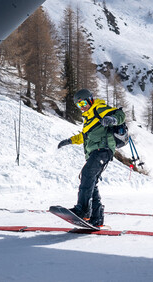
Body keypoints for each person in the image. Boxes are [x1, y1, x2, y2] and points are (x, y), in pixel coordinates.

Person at [58, 88, 125, 228]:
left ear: (90, 100)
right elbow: (84, 136)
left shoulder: (98, 108)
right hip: (95, 152)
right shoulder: (88, 118)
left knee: (87, 174)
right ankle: (97, 217)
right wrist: (69, 141)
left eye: (83, 104)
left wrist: (112, 119)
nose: (82, 107)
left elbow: (120, 114)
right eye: (79, 106)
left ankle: (82, 210)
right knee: (90, 180)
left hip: (103, 149)